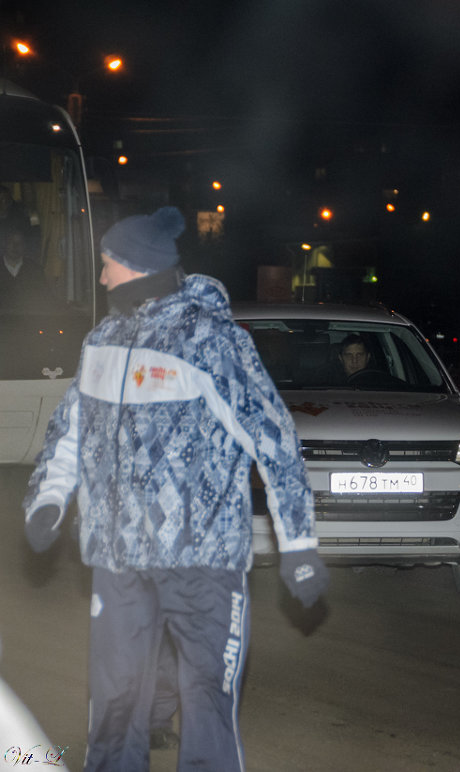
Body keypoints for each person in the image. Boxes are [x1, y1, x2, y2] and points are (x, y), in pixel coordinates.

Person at [21, 206, 329, 771]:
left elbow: (274, 441)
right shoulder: (103, 340)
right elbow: (70, 434)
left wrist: (299, 545)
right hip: (118, 563)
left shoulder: (212, 341)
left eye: (109, 263)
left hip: (203, 563)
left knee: (205, 704)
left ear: (138, 267)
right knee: (113, 708)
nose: (102, 276)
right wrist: (47, 501)